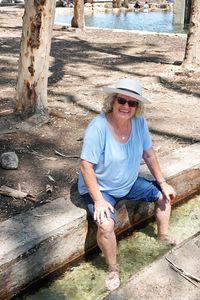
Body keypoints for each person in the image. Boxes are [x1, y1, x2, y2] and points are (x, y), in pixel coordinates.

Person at [78, 78, 176, 291]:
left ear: (137, 107)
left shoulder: (139, 123)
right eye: (122, 100)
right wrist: (98, 200)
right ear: (112, 101)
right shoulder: (98, 127)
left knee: (164, 195)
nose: (126, 106)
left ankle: (162, 237)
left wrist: (163, 182)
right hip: (102, 188)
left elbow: (149, 154)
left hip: (128, 182)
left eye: (132, 103)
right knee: (105, 224)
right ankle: (113, 268)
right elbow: (86, 166)